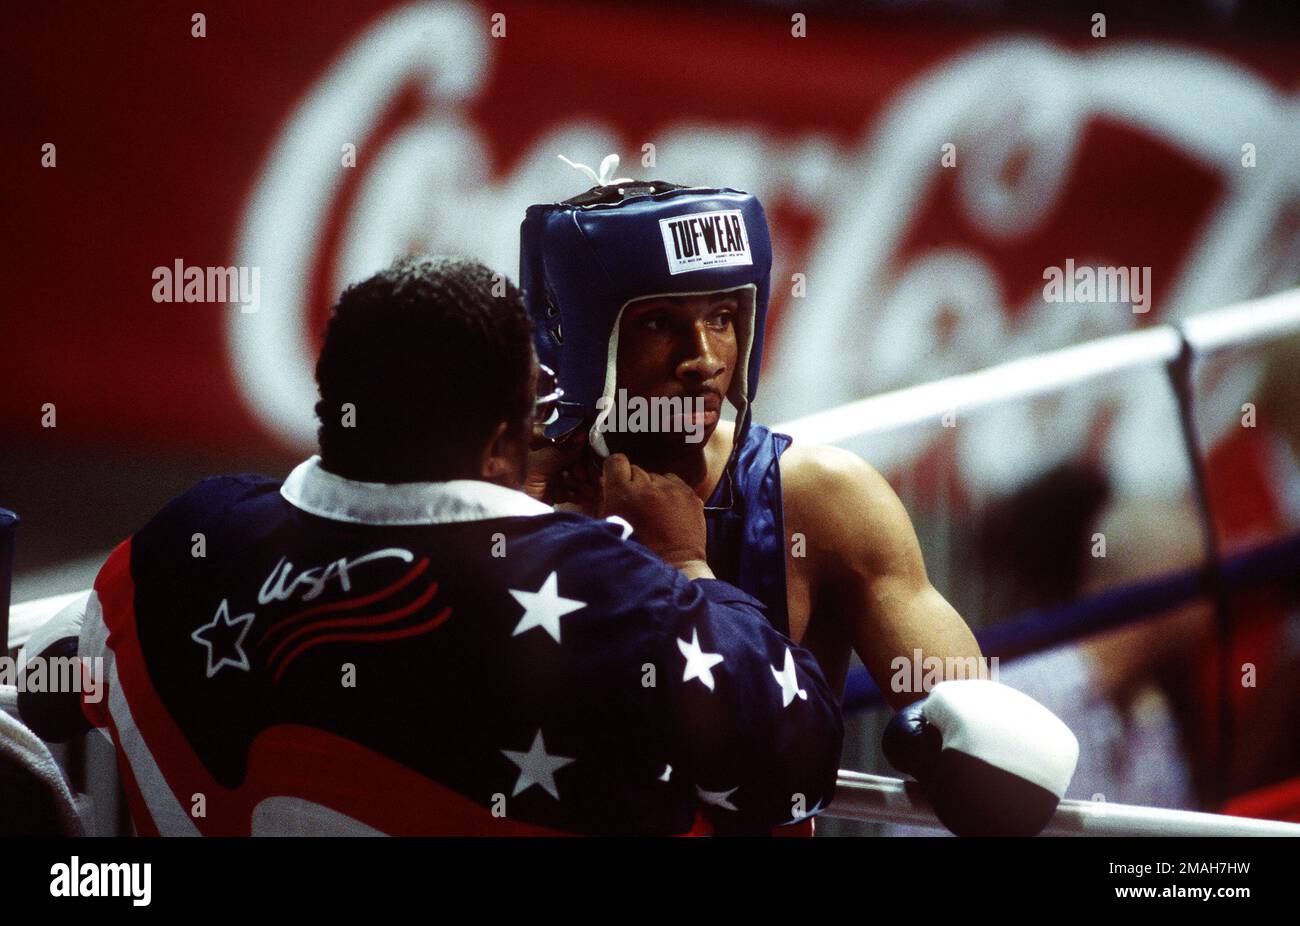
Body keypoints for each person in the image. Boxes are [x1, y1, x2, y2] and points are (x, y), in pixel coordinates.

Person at [17, 255, 843, 836]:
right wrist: (685, 564)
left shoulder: (176, 546)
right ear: (498, 443)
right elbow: (797, 759)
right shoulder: (619, 596)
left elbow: (45, 684)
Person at [520, 170, 1078, 835]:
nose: (704, 359)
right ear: (577, 336)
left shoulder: (819, 500)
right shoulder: (505, 498)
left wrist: (957, 746)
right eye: (660, 322)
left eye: (723, 318)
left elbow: (996, 757)